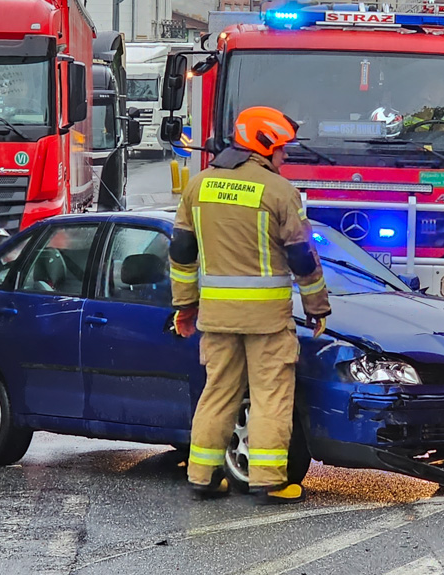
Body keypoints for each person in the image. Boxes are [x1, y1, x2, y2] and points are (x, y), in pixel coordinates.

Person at [169, 106, 331, 504]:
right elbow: (303, 258)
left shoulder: (199, 186)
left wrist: (184, 306)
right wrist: (317, 307)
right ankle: (269, 480)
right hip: (267, 320)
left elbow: (181, 253)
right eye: (282, 148)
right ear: (263, 145)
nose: (286, 156)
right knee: (270, 396)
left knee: (217, 392)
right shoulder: (279, 192)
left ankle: (202, 475)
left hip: (217, 317)